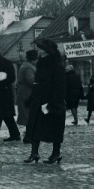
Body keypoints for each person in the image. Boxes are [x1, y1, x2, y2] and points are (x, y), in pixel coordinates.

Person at [24, 37, 66, 165]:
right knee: (36, 127)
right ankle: (34, 153)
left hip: (52, 102)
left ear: (49, 51)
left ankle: (56, 153)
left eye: (42, 50)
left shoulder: (57, 66)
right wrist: (31, 98)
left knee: (55, 129)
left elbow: (59, 86)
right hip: (39, 101)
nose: (39, 52)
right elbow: (37, 83)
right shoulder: (41, 65)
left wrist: (53, 103)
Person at [16, 49, 38, 143]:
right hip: (27, 93)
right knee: (29, 114)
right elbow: (31, 80)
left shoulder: (26, 65)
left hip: (24, 92)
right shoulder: (28, 67)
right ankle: (29, 137)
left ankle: (29, 136)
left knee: (28, 114)